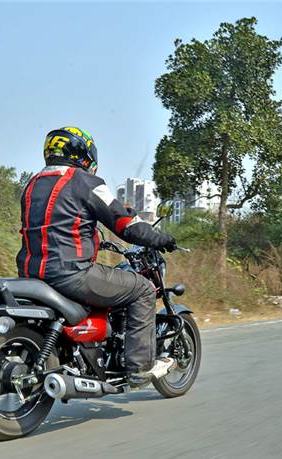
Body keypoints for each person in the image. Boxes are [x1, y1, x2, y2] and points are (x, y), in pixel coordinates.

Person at [16, 126, 178, 385]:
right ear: (83, 154)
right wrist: (161, 238)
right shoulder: (86, 183)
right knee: (143, 289)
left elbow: (57, 226)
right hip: (72, 274)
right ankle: (139, 367)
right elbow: (126, 225)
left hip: (31, 274)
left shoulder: (32, 184)